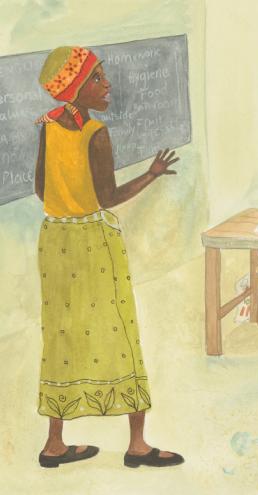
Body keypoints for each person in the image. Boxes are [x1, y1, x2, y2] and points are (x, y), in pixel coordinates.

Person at [33, 46, 182, 468]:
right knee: (119, 332)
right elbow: (109, 197)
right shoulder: (94, 132)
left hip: (54, 240)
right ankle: (137, 445)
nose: (107, 84)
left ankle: (54, 444)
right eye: (98, 78)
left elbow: (41, 189)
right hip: (92, 241)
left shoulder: (46, 126)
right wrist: (152, 175)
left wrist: (66, 200)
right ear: (77, 88)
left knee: (60, 338)